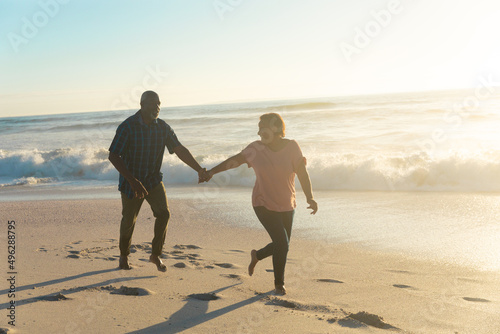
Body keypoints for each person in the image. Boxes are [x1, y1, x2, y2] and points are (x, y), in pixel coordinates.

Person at [201, 113, 318, 295]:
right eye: (259, 128)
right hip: (262, 202)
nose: (258, 132)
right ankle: (279, 284)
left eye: (263, 127)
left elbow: (302, 174)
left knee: (283, 244)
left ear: (277, 128)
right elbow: (234, 161)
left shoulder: (292, 147)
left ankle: (257, 255)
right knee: (282, 242)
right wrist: (211, 173)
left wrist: (310, 197)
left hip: (287, 203)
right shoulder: (255, 149)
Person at [109, 90, 208, 271]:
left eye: (159, 104)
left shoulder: (162, 127)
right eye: (153, 104)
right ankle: (123, 256)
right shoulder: (128, 126)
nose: (157, 108)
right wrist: (132, 180)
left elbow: (179, 149)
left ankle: (155, 255)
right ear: (142, 105)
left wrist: (199, 169)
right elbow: (114, 155)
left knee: (164, 214)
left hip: (153, 180)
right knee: (129, 219)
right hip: (131, 182)